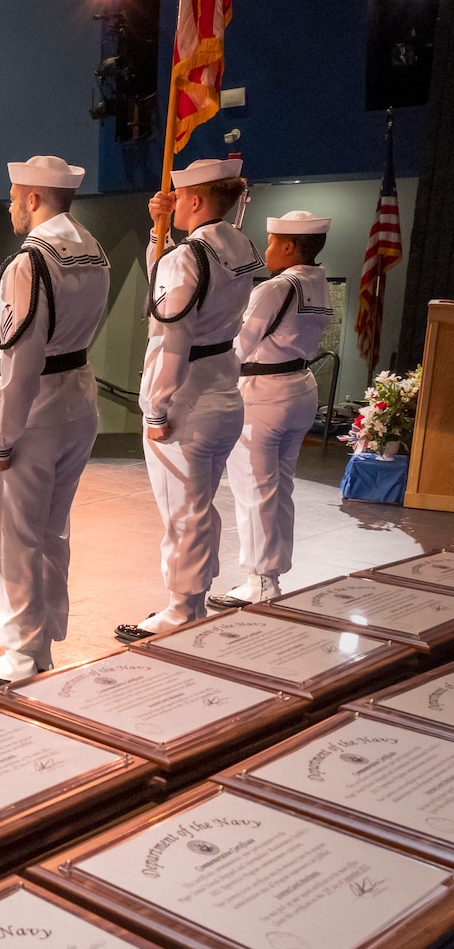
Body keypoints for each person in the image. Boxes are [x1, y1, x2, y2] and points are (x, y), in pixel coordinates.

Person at [0, 156, 112, 693]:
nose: (10, 204)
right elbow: (1, 283)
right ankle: (40, 643)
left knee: (15, 536)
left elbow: (19, 363)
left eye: (16, 196)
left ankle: (18, 652)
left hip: (34, 409)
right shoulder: (92, 249)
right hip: (79, 401)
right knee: (51, 530)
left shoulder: (31, 261)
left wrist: (1, 437)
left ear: (35, 198)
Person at [118, 157, 261, 640]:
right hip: (223, 390)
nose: (171, 203)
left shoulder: (186, 258)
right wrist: (160, 230)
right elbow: (177, 283)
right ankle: (192, 601)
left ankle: (182, 610)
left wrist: (154, 406)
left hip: (187, 399)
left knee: (183, 511)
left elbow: (168, 338)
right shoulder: (240, 244)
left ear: (195, 199)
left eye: (178, 198)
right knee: (198, 506)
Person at [209, 211, 336, 610]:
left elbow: (240, 345)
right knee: (280, 487)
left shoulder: (278, 287)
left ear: (288, 246)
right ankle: (272, 574)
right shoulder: (318, 283)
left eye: (270, 241)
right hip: (300, 388)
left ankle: (261, 581)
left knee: (254, 488)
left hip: (265, 392)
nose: (265, 250)